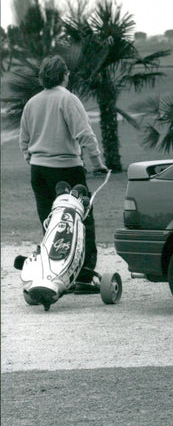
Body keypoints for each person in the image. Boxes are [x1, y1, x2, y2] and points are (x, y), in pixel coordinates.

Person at [19, 55, 108, 285]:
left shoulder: (32, 103)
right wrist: (97, 163)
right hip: (67, 169)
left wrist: (32, 158)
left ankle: (54, 272)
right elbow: (84, 134)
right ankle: (84, 275)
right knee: (81, 219)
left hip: (38, 171)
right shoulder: (68, 99)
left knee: (50, 222)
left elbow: (24, 140)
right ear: (65, 75)